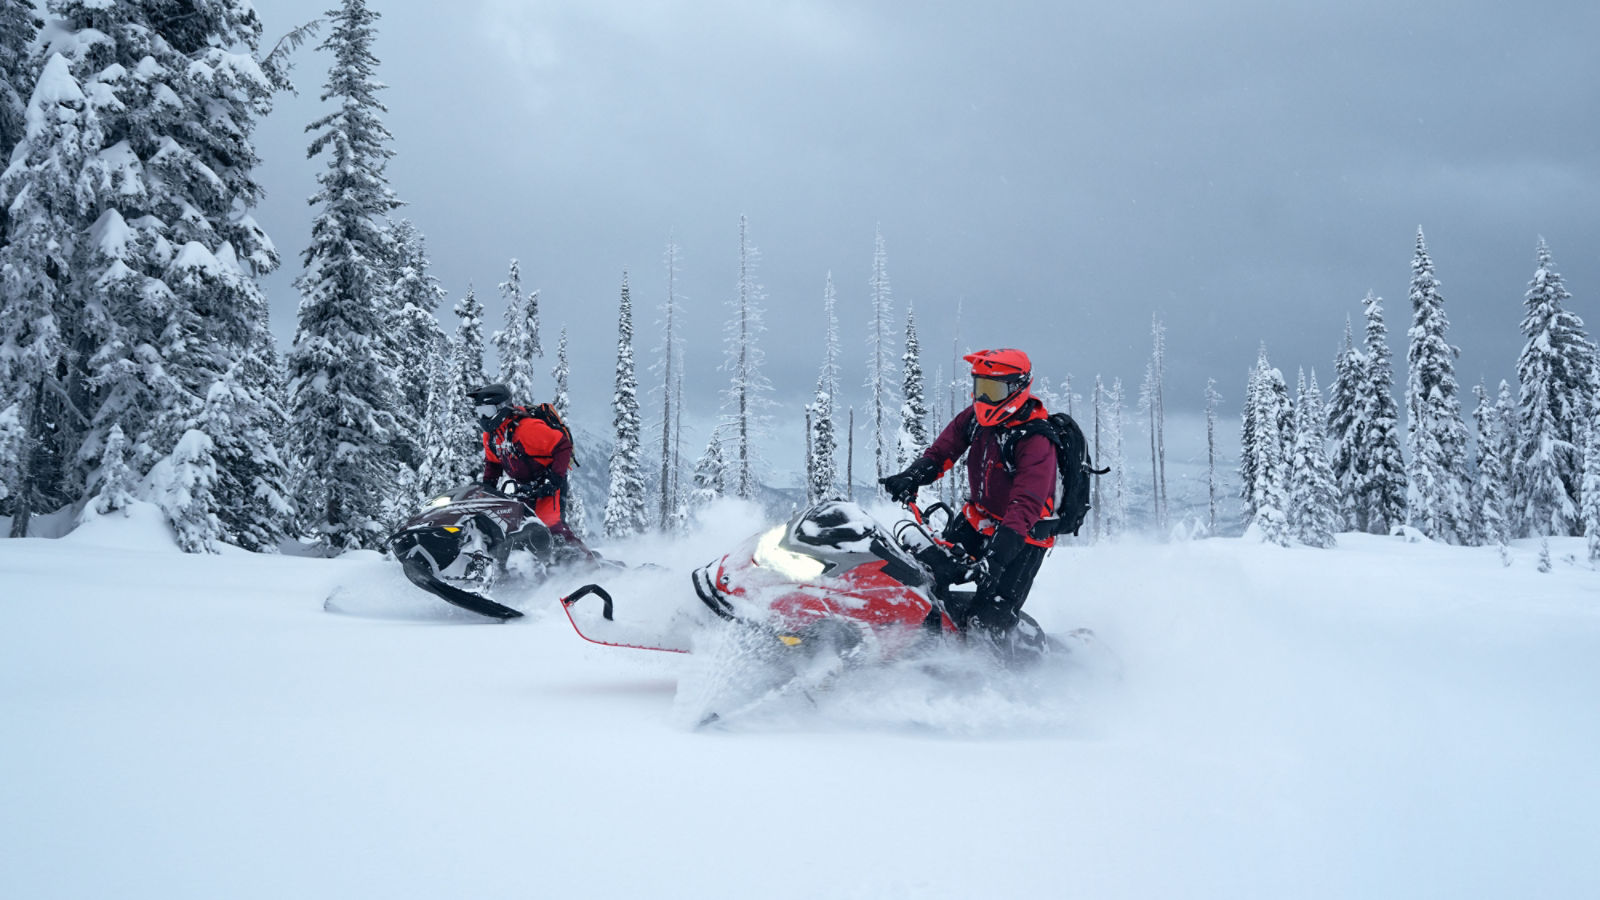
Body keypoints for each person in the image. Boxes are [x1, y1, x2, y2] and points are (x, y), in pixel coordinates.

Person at [879, 348, 1058, 642]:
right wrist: (913, 476)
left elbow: (1027, 503)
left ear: (1017, 389)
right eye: (981, 388)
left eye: (994, 390)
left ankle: (1002, 680)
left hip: (1022, 536)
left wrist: (999, 554)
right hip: (978, 520)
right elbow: (942, 452)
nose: (984, 399)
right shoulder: (976, 419)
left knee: (988, 620)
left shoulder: (1036, 439)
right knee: (927, 577)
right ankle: (925, 646)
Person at [466, 382, 586, 553]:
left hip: (549, 481)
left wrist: (554, 479)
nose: (484, 417)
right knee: (520, 529)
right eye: (480, 412)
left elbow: (562, 446)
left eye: (487, 411)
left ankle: (588, 565)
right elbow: (493, 463)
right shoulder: (491, 436)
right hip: (524, 486)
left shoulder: (526, 428)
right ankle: (535, 570)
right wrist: (487, 488)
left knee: (552, 526)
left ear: (502, 407)